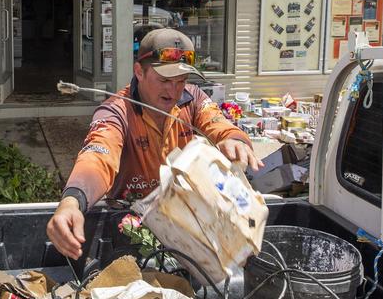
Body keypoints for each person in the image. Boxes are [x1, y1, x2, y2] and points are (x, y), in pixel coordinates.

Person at [47, 28, 261, 260]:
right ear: (139, 71)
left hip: (187, 224)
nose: (174, 90)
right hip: (130, 227)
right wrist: (71, 202)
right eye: (164, 80)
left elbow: (218, 123)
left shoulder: (194, 98)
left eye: (181, 80)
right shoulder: (116, 111)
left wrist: (234, 139)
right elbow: (97, 157)